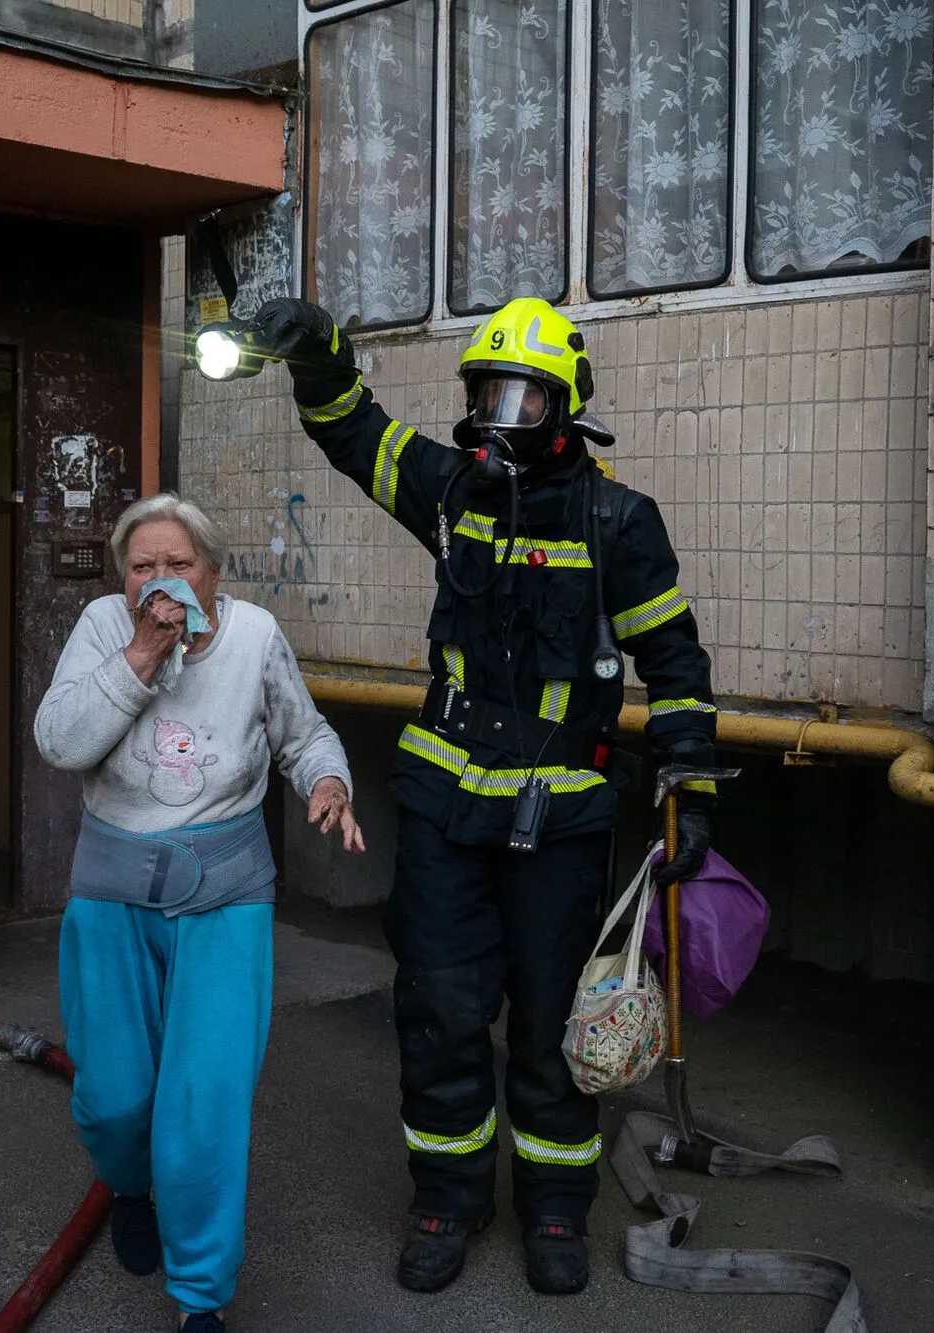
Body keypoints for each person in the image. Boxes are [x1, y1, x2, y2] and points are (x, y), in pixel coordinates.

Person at [249, 296, 720, 1296]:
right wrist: (320, 358)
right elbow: (356, 436)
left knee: (552, 1019)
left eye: (516, 396)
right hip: (445, 810)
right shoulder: (451, 492)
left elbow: (673, 664)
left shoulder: (616, 521)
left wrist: (689, 783)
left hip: (559, 819)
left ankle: (554, 1208)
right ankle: (446, 1197)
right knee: (439, 1008)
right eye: (482, 394)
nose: (494, 417)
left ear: (562, 409)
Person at [34, 493, 365, 1333]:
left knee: (203, 1105)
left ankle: (200, 1299)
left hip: (226, 893)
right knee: (114, 1101)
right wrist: (142, 656)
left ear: (212, 574)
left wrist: (329, 781)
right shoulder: (107, 628)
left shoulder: (253, 636)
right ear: (124, 576)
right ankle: (130, 1184)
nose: (161, 579)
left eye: (178, 564)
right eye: (143, 565)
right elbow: (61, 741)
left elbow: (303, 734)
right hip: (111, 892)